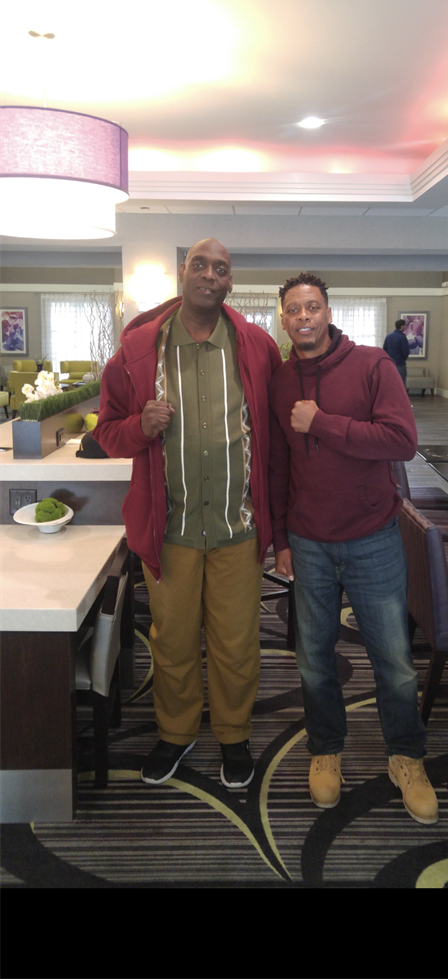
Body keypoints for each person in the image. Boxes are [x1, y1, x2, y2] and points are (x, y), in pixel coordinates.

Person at [94, 238, 281, 789]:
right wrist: (139, 427)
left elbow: (272, 435)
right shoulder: (136, 351)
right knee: (172, 640)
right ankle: (174, 733)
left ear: (229, 283)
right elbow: (107, 434)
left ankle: (233, 734)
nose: (208, 275)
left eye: (220, 269)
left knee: (236, 642)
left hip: (236, 527)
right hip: (168, 531)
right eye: (199, 264)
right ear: (182, 273)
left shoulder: (256, 346)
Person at [269, 272, 438, 825]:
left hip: (372, 538)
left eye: (311, 307)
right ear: (284, 318)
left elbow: (402, 441)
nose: (303, 317)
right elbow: (278, 465)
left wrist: (324, 422)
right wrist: (280, 539)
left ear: (327, 311)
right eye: (292, 309)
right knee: (314, 660)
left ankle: (407, 758)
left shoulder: (371, 365)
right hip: (309, 543)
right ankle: (326, 750)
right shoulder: (280, 379)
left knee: (394, 662)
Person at [383, 319, 410, 387]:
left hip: (390, 365)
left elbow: (384, 350)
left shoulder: (388, 337)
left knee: (390, 385)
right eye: (404, 326)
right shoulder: (403, 337)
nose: (405, 327)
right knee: (401, 386)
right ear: (401, 326)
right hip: (400, 364)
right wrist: (403, 358)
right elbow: (405, 352)